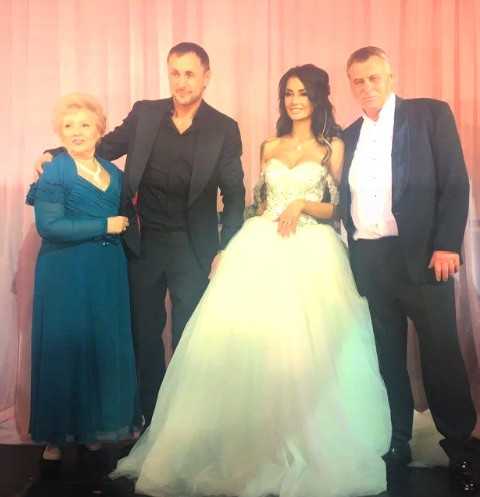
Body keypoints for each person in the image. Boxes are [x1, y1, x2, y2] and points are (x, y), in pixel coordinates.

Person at [111, 64, 391, 497]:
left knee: (302, 346)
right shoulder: (269, 145)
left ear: (318, 98)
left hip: (310, 249)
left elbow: (338, 207)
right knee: (244, 343)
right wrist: (233, 240)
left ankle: (302, 433)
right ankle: (241, 440)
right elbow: (256, 201)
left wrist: (303, 205)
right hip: (260, 242)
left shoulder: (331, 146)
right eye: (289, 93)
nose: (295, 101)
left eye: (303, 93)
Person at [37, 42, 246, 426]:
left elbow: (234, 195)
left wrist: (227, 247)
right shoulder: (145, 113)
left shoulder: (224, 128)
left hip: (194, 248)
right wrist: (55, 153)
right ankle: (150, 416)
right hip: (142, 242)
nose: (181, 82)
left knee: (189, 335)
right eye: (175, 73)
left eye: (190, 73)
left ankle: (183, 420)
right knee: (144, 334)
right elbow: (104, 147)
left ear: (206, 77)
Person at [340, 46, 479, 493]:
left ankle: (460, 449)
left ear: (391, 77)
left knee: (441, 355)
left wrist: (446, 243)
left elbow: (455, 181)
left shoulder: (429, 115)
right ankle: (396, 440)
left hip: (423, 256)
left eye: (374, 77)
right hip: (370, 259)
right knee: (386, 358)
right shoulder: (348, 135)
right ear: (350, 84)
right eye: (358, 80)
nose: (366, 87)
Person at [27, 93, 141, 478]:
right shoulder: (55, 170)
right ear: (59, 132)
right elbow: (49, 226)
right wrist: (104, 225)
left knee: (97, 346)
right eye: (68, 126)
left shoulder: (114, 172)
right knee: (65, 347)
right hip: (65, 271)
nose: (76, 132)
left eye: (84, 125)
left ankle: (91, 429)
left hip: (106, 271)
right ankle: (56, 437)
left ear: (99, 130)